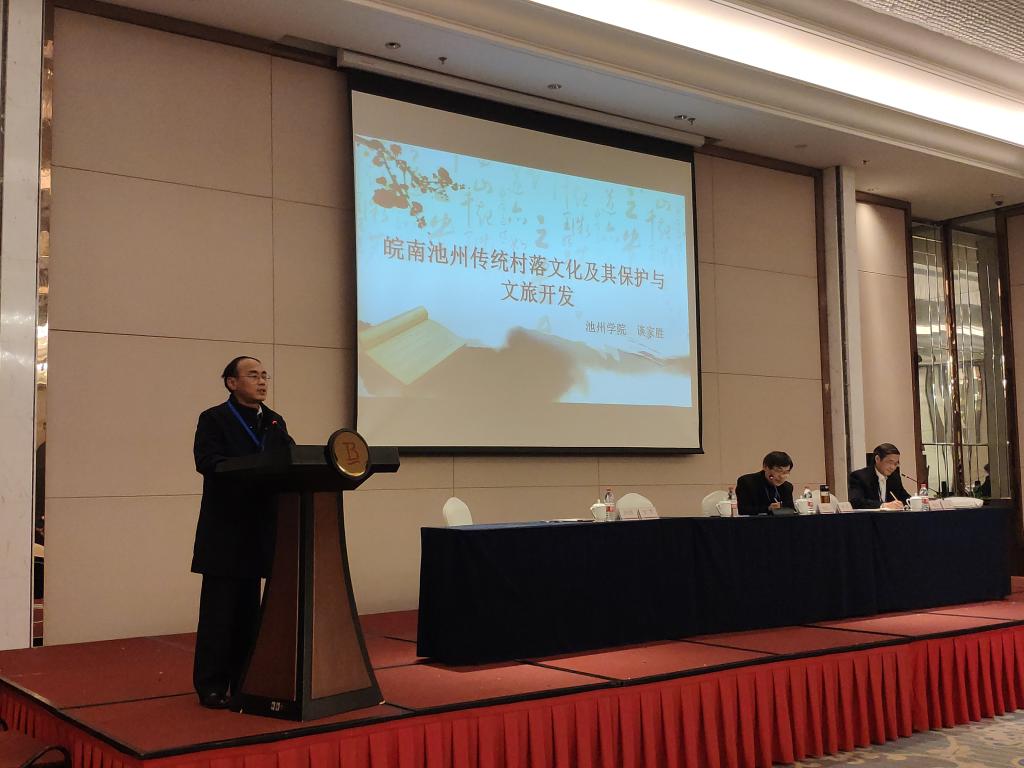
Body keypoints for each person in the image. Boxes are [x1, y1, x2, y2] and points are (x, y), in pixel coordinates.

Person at [191, 356, 294, 709]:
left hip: (260, 530)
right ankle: (211, 686)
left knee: (250, 616)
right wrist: (254, 468)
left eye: (265, 375)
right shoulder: (214, 418)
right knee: (219, 614)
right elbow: (207, 462)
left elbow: (291, 460)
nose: (262, 381)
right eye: (253, 375)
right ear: (232, 383)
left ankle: (244, 682)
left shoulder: (275, 421)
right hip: (225, 530)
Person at [848, 443, 910, 510]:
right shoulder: (859, 476)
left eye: (895, 464)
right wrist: (883, 505)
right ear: (877, 459)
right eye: (890, 462)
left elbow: (905, 498)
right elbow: (856, 502)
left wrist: (915, 501)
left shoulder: (894, 478)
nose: (893, 467)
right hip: (869, 516)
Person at [736, 451, 795, 516]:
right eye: (778, 471)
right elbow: (743, 510)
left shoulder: (787, 487)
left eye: (786, 472)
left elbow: (791, 510)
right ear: (765, 467)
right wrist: (768, 508)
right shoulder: (747, 482)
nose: (781, 476)